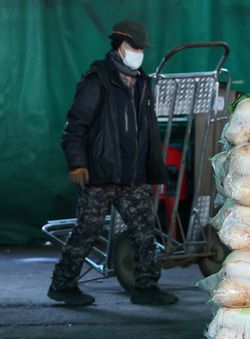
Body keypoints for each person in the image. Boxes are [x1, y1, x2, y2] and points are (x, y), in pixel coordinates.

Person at [48, 20, 177, 306]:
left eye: (142, 48)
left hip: (132, 176)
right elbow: (76, 125)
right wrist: (77, 164)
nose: (139, 52)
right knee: (87, 231)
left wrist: (151, 168)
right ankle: (63, 284)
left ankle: (145, 287)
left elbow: (146, 128)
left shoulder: (143, 81)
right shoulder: (98, 79)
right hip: (100, 174)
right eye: (134, 47)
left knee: (145, 231)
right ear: (119, 46)